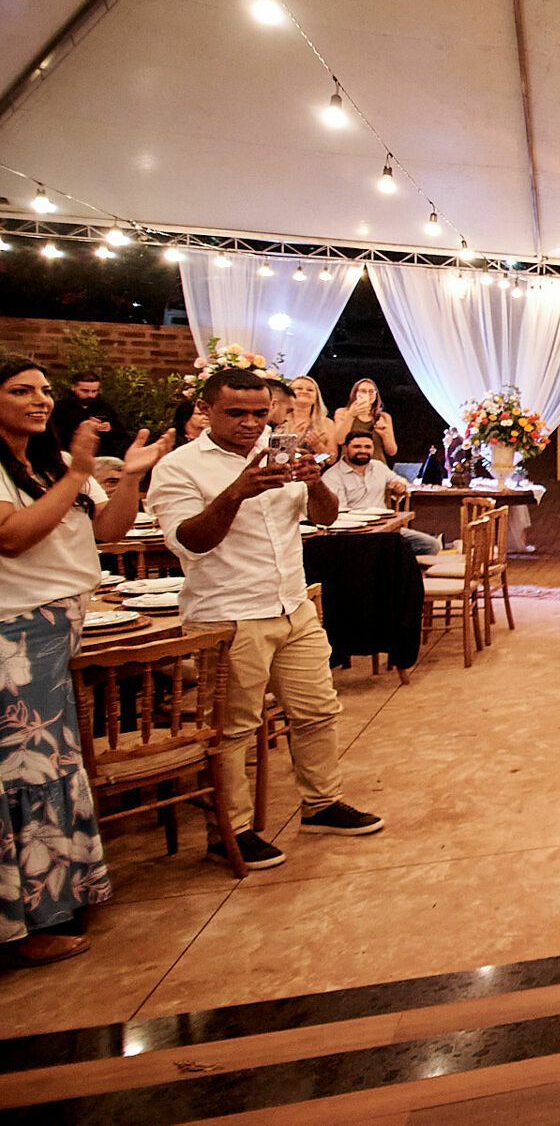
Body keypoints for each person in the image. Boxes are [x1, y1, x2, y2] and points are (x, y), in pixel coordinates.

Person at [147, 368, 385, 872]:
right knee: (234, 730)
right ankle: (228, 832)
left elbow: (323, 517)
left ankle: (321, 804)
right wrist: (237, 491)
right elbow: (190, 540)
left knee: (318, 710)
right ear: (208, 410)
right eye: (237, 413)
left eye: (260, 412)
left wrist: (315, 481)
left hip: (292, 604)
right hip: (227, 613)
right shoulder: (179, 467)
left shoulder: (279, 454)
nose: (251, 423)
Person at [0, 358, 170, 965]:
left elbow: (109, 533)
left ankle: (57, 900)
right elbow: (14, 536)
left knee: (54, 769)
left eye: (44, 390)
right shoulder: (49, 469)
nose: (40, 400)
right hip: (12, 633)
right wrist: (76, 473)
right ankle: (26, 923)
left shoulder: (49, 464)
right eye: (21, 391)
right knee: (27, 776)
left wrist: (129, 479)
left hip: (59, 623)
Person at [321, 432, 441, 557]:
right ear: (345, 448)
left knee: (430, 545)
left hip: (386, 528)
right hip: (356, 535)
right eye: (357, 447)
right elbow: (340, 515)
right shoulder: (332, 476)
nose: (363, 450)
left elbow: (401, 481)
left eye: (367, 447)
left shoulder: (378, 467)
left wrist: (399, 485)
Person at [52, 372, 131, 458]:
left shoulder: (104, 407)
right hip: (70, 456)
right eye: (85, 391)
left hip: (102, 456)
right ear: (73, 388)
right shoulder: (60, 408)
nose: (90, 395)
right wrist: (81, 428)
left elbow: (122, 434)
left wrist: (110, 428)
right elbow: (53, 435)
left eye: (94, 391)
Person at [331, 379, 397, 463]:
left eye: (371, 391)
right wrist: (351, 415)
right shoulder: (342, 412)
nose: (367, 394)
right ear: (355, 394)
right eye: (363, 391)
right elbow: (340, 440)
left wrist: (385, 434)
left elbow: (392, 451)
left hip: (376, 467)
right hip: (350, 466)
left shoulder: (384, 417)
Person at [287, 376, 335, 460]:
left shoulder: (327, 423)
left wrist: (318, 447)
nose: (304, 391)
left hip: (311, 471)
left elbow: (331, 459)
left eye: (310, 390)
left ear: (316, 397)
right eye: (299, 388)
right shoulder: (278, 420)